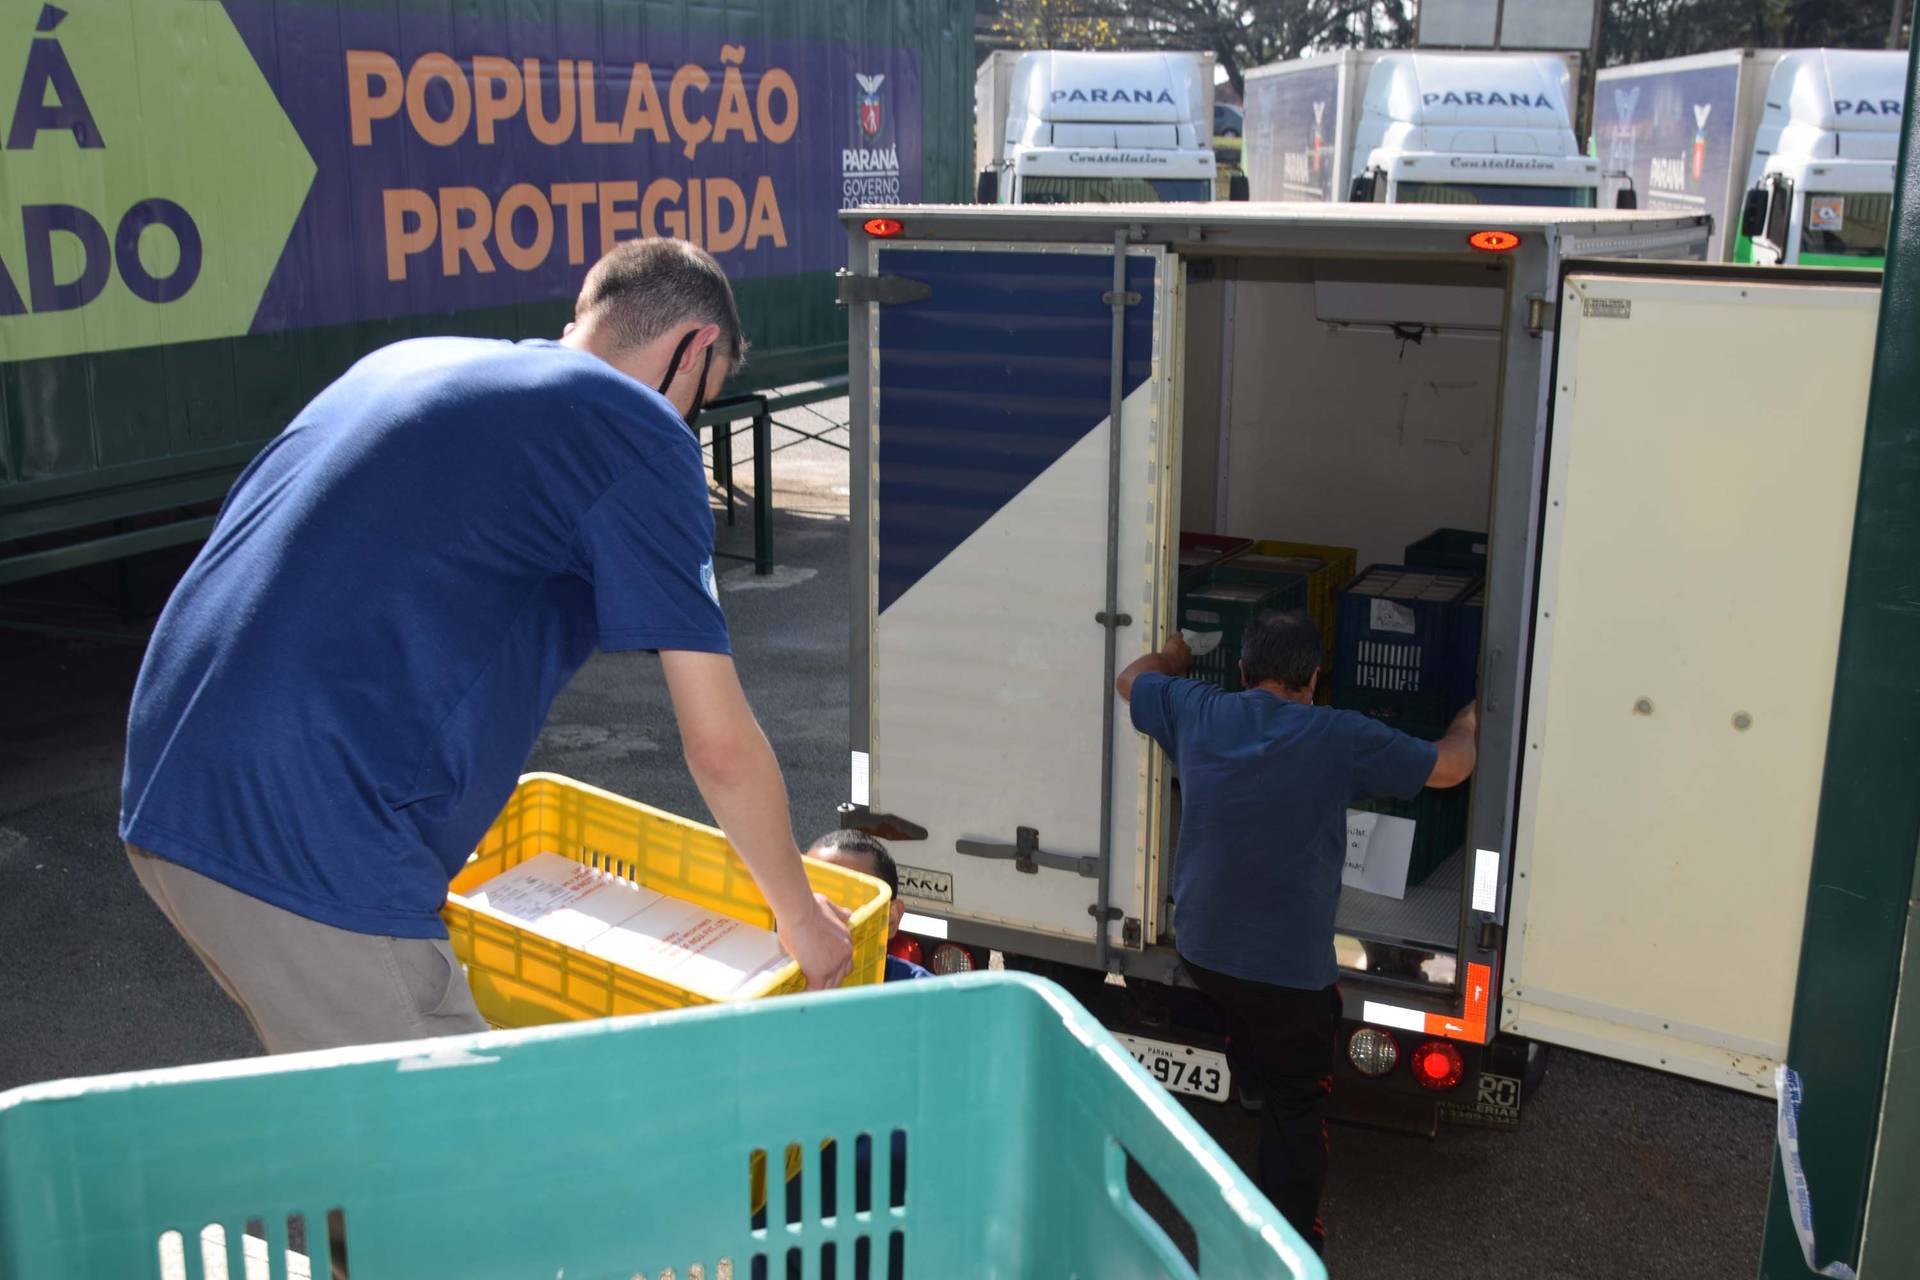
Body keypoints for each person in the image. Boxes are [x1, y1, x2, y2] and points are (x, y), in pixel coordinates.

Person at [120, 238, 852, 1055]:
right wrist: (799, 916)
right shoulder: (637, 431)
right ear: (694, 347)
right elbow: (718, 745)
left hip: (168, 783)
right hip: (311, 834)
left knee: (334, 1126)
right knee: (453, 1153)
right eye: (700, 399)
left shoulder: (415, 361)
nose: (687, 423)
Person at [1115, 610, 1476, 1253]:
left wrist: (1175, 654)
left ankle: (1251, 1070)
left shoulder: (1198, 709)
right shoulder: (1338, 735)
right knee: (1296, 1107)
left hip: (1204, 952)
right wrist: (1473, 717)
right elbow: (1451, 768)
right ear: (1315, 679)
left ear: (1246, 672)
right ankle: (1286, 1250)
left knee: (1252, 1023)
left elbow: (1130, 680)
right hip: (1289, 975)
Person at [806, 830, 932, 981]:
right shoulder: (772, 986)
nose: (822, 920)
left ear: (891, 919)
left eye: (841, 906)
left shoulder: (927, 999)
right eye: (809, 904)